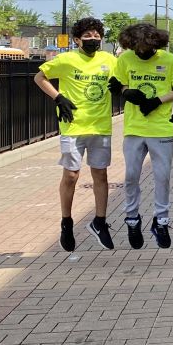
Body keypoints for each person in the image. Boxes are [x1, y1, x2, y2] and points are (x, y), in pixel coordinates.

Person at [33, 17, 118, 251]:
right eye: (88, 36)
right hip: (73, 126)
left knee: (100, 175)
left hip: (100, 125)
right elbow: (39, 77)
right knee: (71, 175)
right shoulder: (66, 59)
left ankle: (100, 222)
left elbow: (123, 80)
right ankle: (66, 222)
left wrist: (120, 87)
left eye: (96, 35)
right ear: (77, 40)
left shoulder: (109, 60)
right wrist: (58, 97)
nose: (93, 39)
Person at [109, 23, 173, 250]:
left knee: (162, 176)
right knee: (131, 176)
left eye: (143, 47)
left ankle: (161, 220)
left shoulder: (169, 60)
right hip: (134, 127)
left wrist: (157, 101)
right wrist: (128, 92)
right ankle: (132, 218)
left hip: (161, 127)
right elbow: (118, 83)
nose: (139, 51)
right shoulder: (125, 59)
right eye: (134, 47)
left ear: (154, 44)